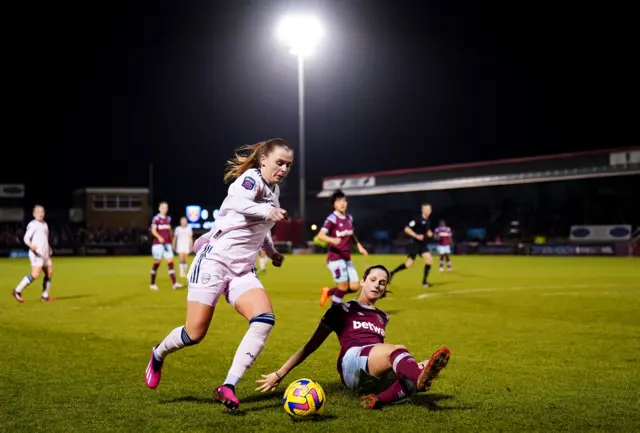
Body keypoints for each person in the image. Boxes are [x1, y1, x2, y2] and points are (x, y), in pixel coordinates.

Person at [144, 138, 293, 411]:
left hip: (242, 270)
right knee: (194, 333)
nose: (283, 169)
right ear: (263, 161)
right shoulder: (251, 179)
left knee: (264, 319)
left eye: (288, 165)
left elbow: (260, 229)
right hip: (214, 261)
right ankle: (158, 352)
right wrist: (267, 210)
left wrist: (272, 253)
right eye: (279, 163)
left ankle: (228, 385)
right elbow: (237, 202)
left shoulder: (274, 191)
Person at [256, 265, 450, 409]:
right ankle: (419, 378)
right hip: (352, 362)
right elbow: (311, 345)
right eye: (373, 279)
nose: (377, 285)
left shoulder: (383, 316)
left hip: (372, 369)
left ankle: (378, 400)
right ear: (363, 281)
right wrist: (280, 373)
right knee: (399, 351)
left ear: (384, 289)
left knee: (422, 364)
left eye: (382, 283)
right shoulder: (340, 310)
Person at [317, 190, 368, 307]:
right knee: (343, 287)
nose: (342, 204)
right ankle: (334, 312)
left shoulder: (349, 217)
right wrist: (332, 240)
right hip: (335, 258)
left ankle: (328, 292)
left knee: (354, 287)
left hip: (346, 257)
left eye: (344, 201)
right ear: (334, 204)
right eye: (339, 201)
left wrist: (359, 246)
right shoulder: (332, 219)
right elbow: (321, 235)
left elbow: (351, 234)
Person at [11, 205, 55, 303]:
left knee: (49, 273)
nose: (41, 213)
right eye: (38, 212)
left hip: (45, 253)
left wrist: (49, 248)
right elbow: (26, 238)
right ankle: (17, 291)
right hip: (37, 253)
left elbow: (45, 239)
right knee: (35, 274)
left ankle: (45, 296)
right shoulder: (33, 224)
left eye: (42, 211)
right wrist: (31, 245)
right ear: (34, 214)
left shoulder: (44, 224)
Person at [389, 203, 434, 287]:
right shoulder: (417, 219)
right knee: (409, 264)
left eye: (430, 209)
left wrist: (430, 234)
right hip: (415, 244)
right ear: (423, 210)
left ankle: (424, 282)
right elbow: (406, 229)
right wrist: (416, 235)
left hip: (423, 245)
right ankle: (392, 272)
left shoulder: (428, 222)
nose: (429, 211)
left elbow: (427, 232)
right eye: (427, 209)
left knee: (429, 260)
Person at [149, 202, 183, 290]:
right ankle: (152, 283)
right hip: (158, 244)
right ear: (159, 208)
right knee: (157, 263)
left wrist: (171, 242)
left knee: (170, 262)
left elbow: (169, 232)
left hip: (167, 244)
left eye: (166, 207)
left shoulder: (168, 219)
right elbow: (153, 230)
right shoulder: (156, 218)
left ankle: (174, 284)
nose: (165, 209)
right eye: (163, 207)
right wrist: (159, 237)